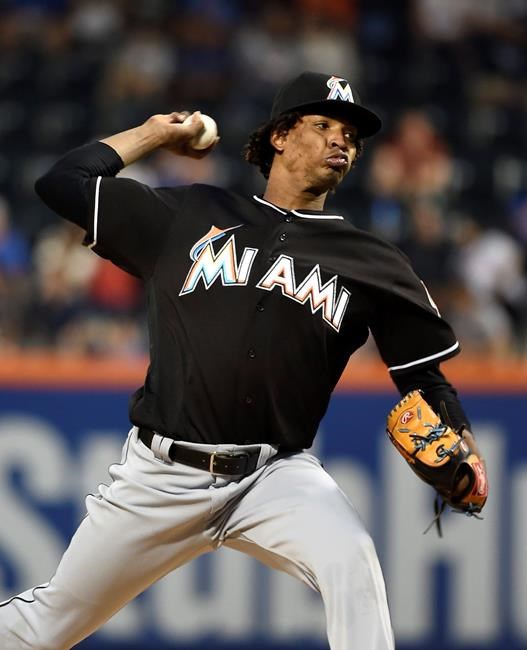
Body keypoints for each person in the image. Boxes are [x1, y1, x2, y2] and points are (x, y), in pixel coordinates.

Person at [0, 71, 484, 650]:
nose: (341, 142)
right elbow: (62, 182)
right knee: (44, 627)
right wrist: (155, 133)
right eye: (323, 125)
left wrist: (462, 439)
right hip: (160, 478)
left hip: (274, 474)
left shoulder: (372, 260)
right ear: (280, 135)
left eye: (351, 136)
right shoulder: (189, 214)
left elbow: (422, 376)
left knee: (352, 559)